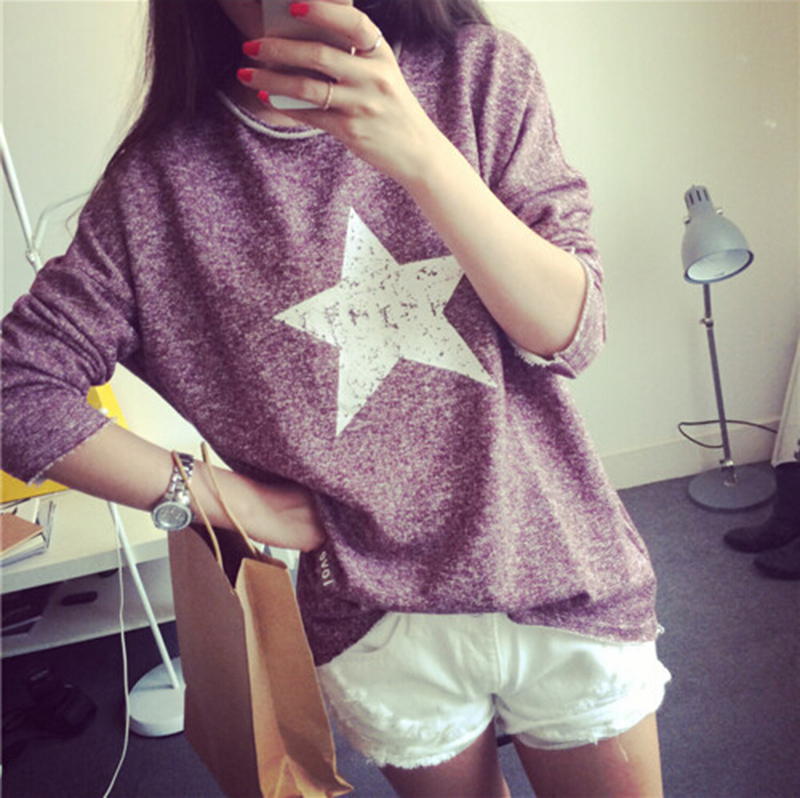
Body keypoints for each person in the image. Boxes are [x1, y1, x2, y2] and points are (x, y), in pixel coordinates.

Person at [1, 1, 671, 794]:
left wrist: (418, 150)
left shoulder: (478, 72)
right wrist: (225, 500)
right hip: (375, 619)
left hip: (561, 567)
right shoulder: (158, 184)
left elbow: (572, 334)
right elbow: (16, 387)